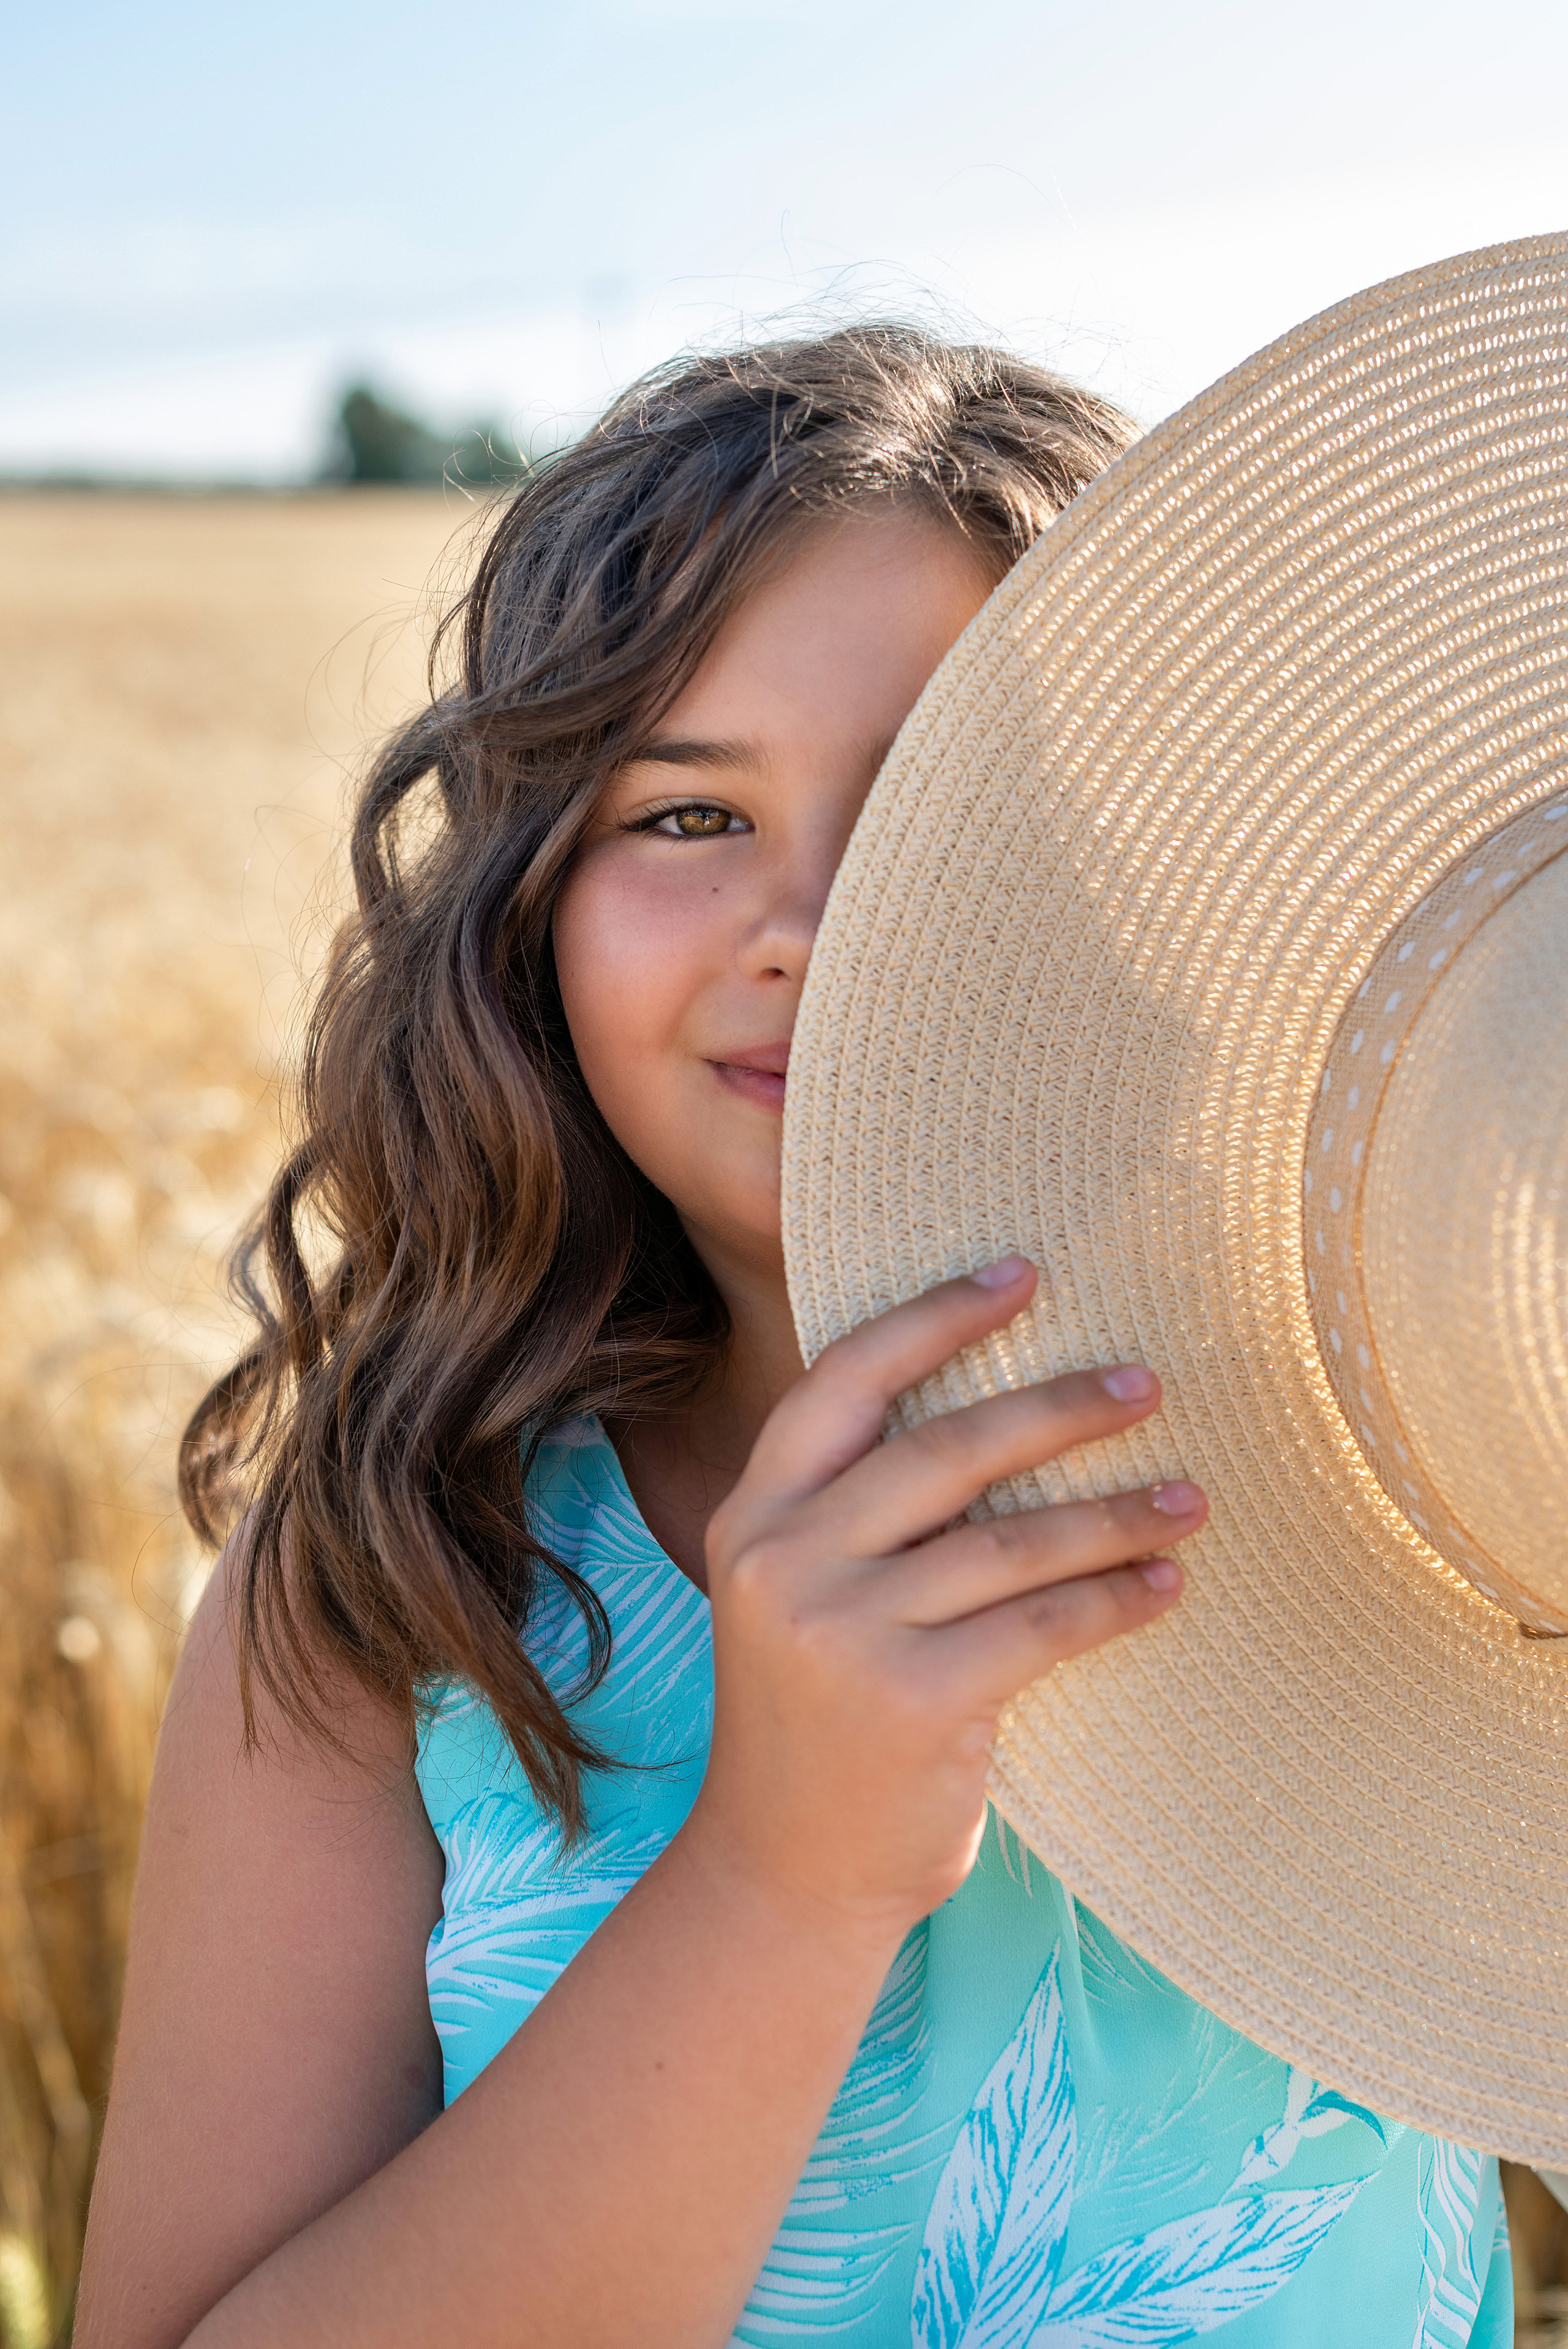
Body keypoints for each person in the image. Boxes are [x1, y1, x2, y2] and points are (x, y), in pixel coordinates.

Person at [75, 328, 1510, 2348]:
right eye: (684, 816)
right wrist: (783, 1873)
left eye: (944, 804)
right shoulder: (397, 1592)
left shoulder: (1427, 1493)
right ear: (529, 908)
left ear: (1164, 890)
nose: (815, 914)